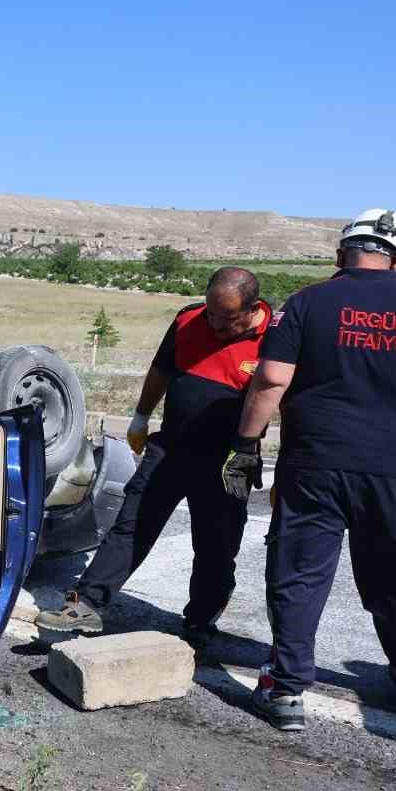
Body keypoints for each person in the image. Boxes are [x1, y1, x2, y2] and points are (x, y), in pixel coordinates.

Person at [223, 209, 396, 732]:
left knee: (299, 572)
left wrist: (246, 445)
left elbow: (270, 380)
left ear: (342, 253)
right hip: (395, 467)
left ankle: (287, 689)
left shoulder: (308, 303)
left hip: (316, 461)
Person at [37, 267, 271, 643]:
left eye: (226, 319)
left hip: (231, 458)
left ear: (253, 308)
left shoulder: (278, 336)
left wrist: (289, 460)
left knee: (217, 542)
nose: (214, 324)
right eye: (210, 313)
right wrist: (141, 416)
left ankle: (201, 619)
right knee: (131, 523)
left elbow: (286, 397)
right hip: (172, 446)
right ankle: (86, 605)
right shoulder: (188, 319)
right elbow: (161, 369)